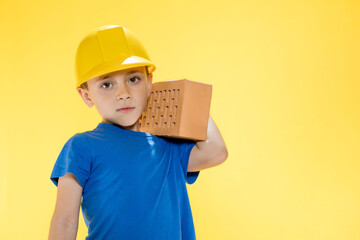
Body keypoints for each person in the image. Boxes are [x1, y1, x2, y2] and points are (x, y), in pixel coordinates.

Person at [48, 25, 228, 240]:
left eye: (133, 80)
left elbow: (216, 152)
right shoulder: (81, 147)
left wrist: (188, 97)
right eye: (107, 84)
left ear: (149, 83)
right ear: (87, 96)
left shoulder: (167, 145)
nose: (124, 94)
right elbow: (64, 221)